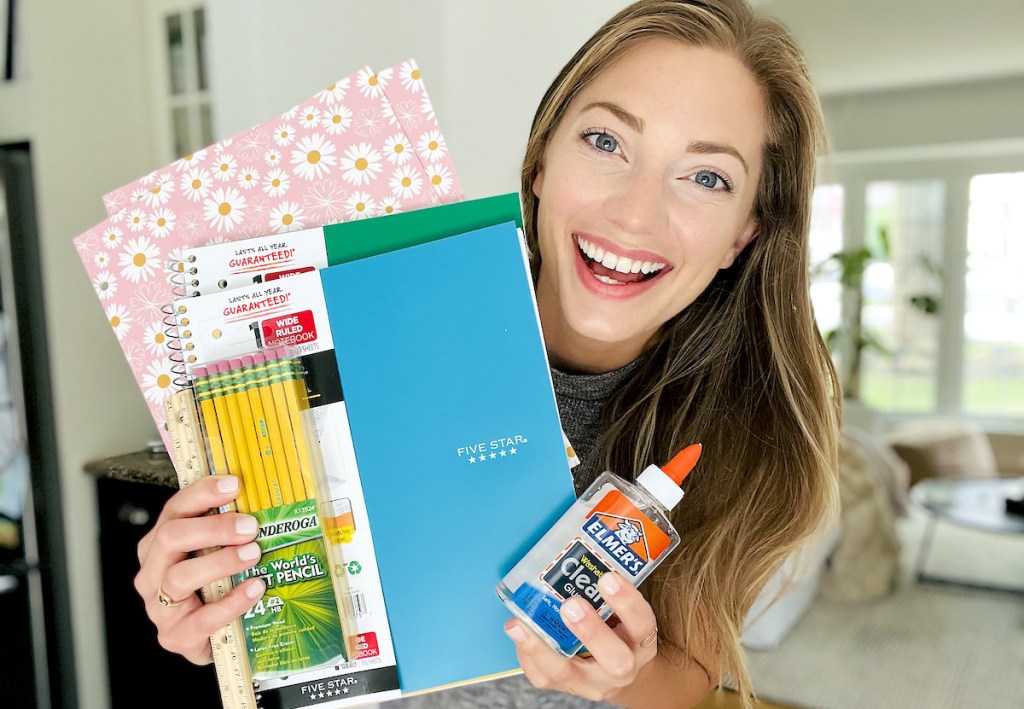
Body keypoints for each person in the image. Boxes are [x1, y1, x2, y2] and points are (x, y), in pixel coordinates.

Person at [134, 1, 840, 707]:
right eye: (606, 141)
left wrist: (631, 674)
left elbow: (689, 677)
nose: (635, 214)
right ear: (538, 164)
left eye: (706, 177)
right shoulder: (354, 326)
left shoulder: (753, 441)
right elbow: (278, 643)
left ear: (742, 236)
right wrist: (203, 606)